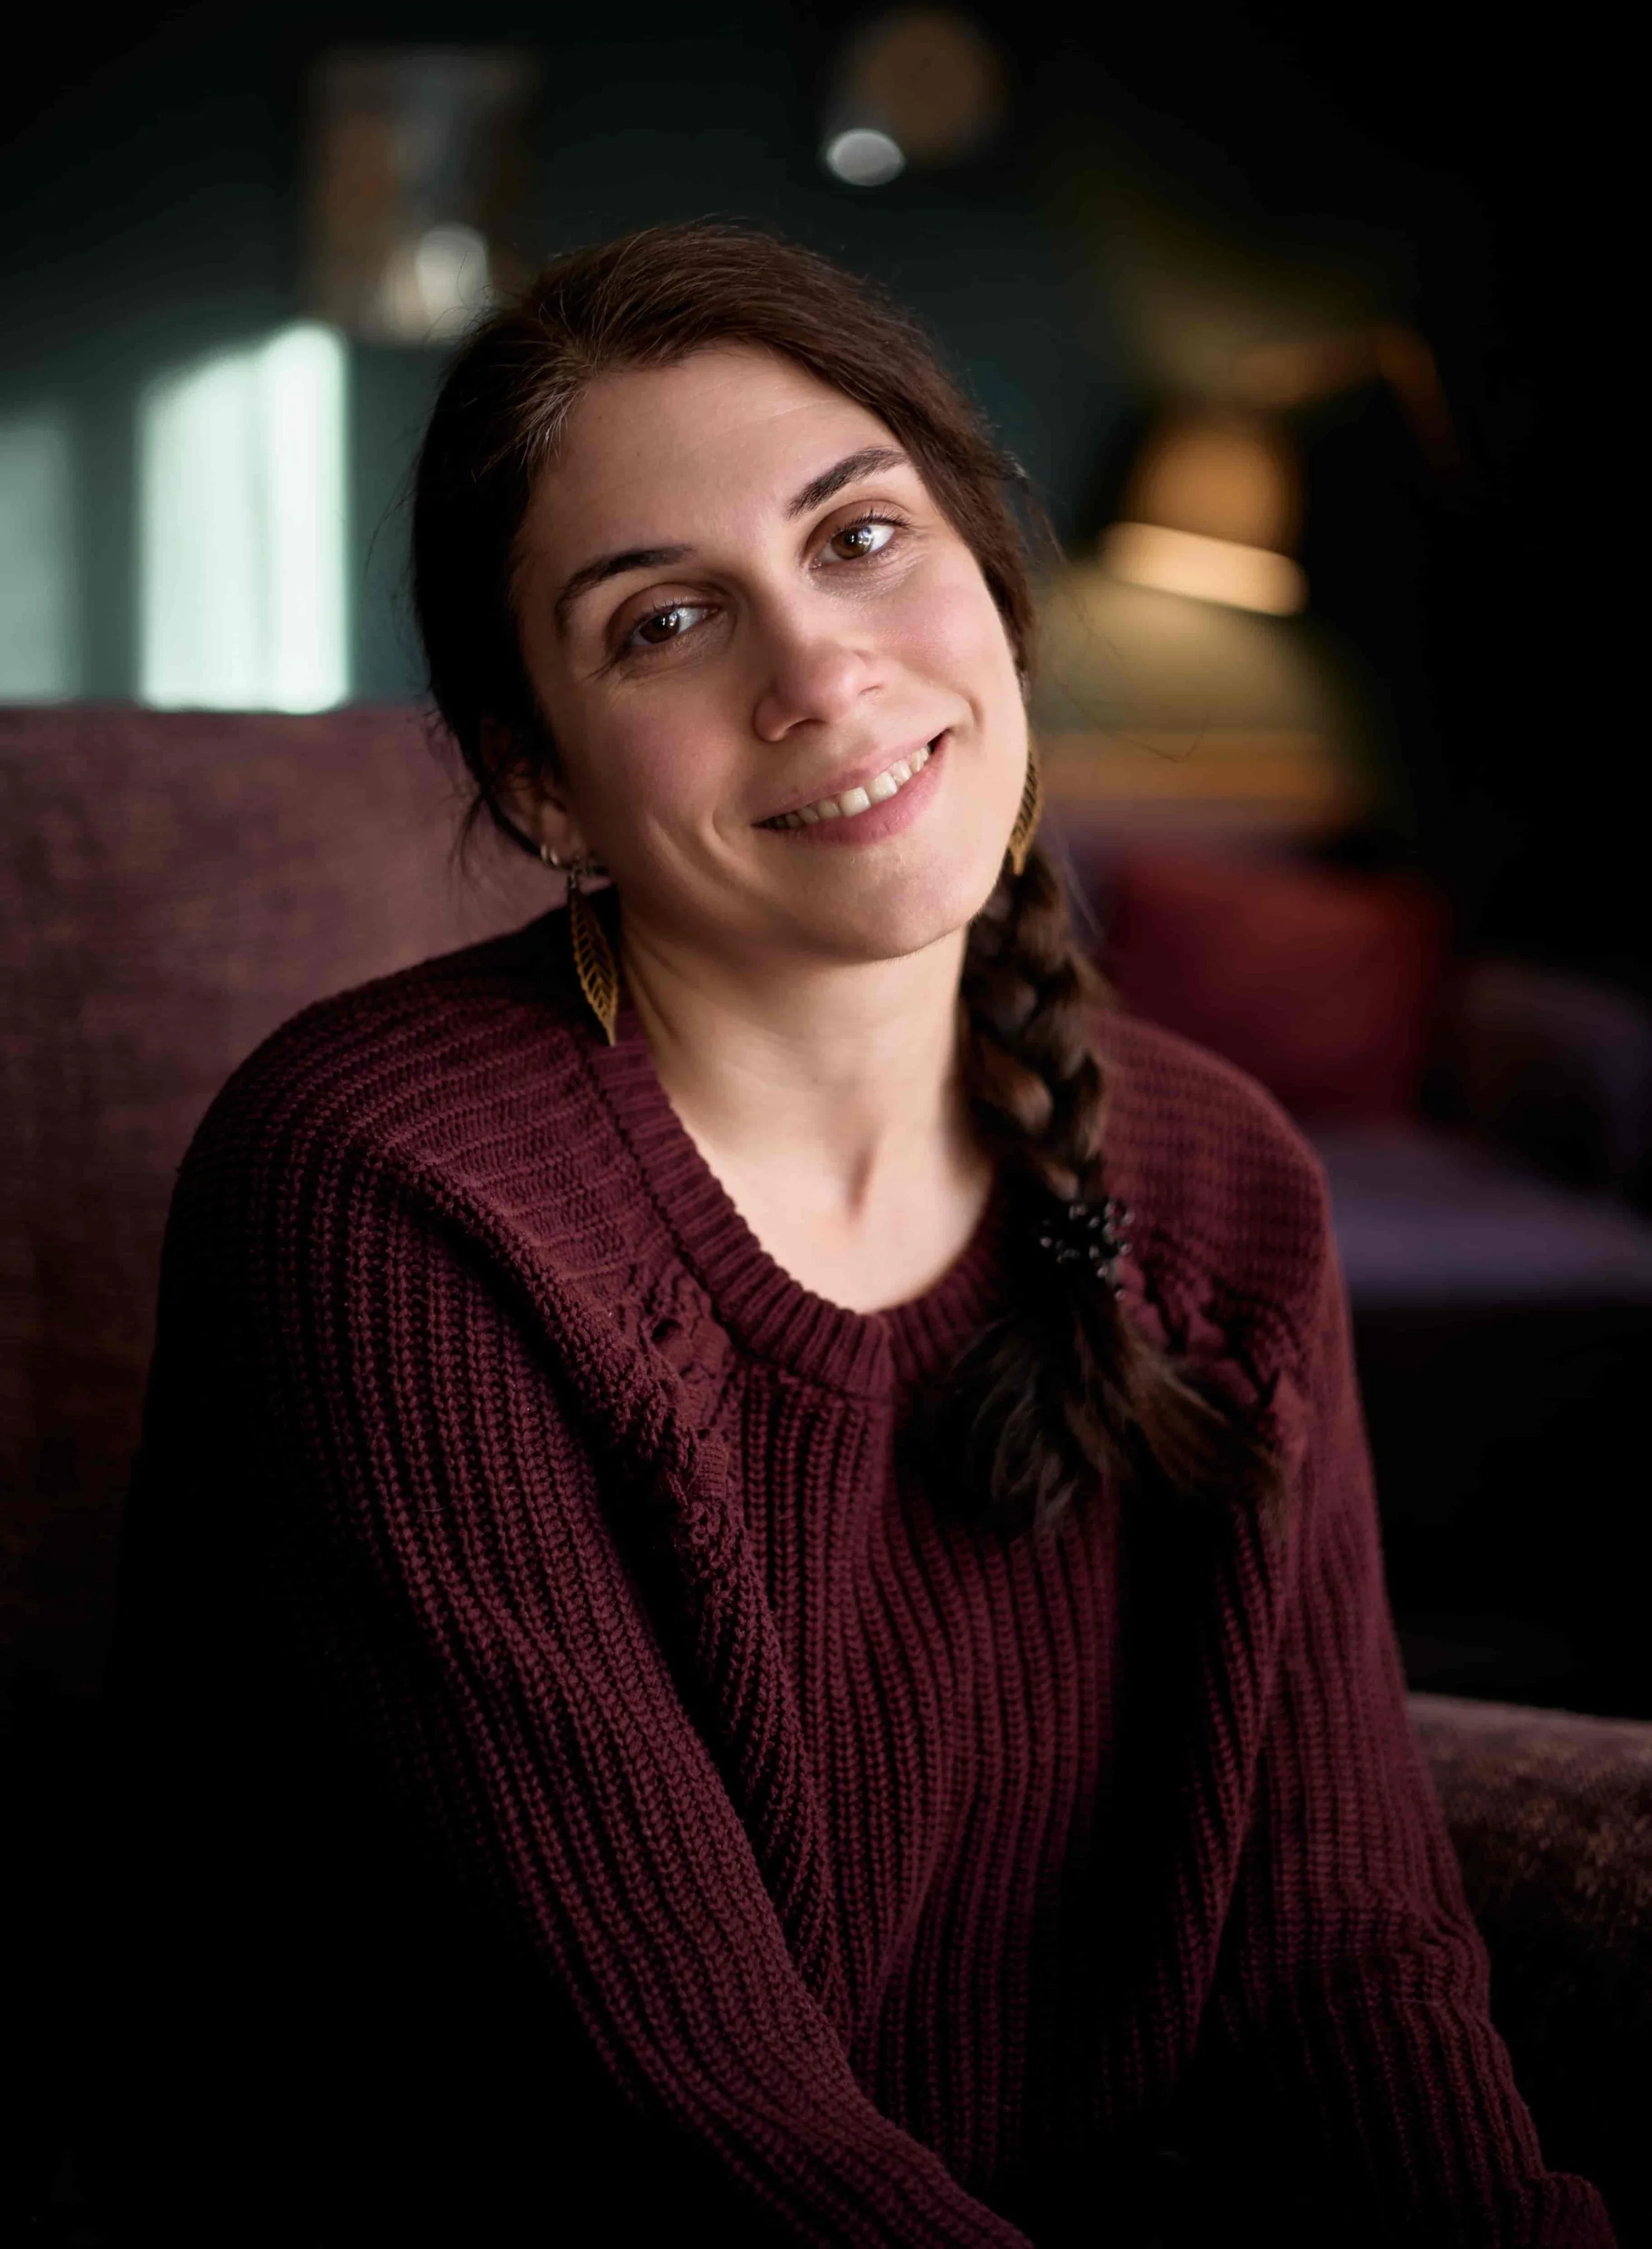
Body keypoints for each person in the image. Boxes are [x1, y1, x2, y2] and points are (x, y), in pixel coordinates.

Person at [97, 223, 1615, 2246]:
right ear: (537, 786)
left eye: (862, 536)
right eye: (661, 622)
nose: (819, 670)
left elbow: (1336, 1943)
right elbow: (678, 2106)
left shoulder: (1223, 1180)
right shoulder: (390, 1190)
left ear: (990, 569)